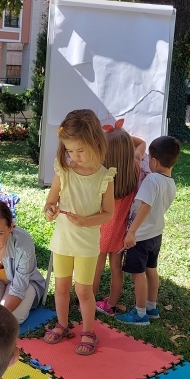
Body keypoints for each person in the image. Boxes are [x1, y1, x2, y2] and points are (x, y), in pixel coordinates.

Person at [42, 109, 116, 355]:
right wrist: (50, 211)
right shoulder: (63, 171)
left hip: (86, 243)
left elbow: (108, 213)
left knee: (83, 290)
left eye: (80, 151)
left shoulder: (105, 177)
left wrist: (86, 221)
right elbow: (50, 202)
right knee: (61, 288)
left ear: (96, 143)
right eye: (69, 151)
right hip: (62, 241)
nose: (74, 156)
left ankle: (88, 331)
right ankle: (62, 324)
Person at [118, 136, 180, 326]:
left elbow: (145, 205)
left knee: (138, 275)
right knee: (151, 270)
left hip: (141, 236)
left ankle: (140, 313)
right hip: (155, 234)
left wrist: (132, 232)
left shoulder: (152, 179)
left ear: (153, 161)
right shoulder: (170, 182)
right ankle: (151, 307)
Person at [93, 128, 147, 315]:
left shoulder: (102, 175)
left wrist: (105, 136)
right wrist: (123, 137)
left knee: (96, 269)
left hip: (101, 230)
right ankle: (111, 304)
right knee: (116, 269)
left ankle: (87, 301)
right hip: (121, 231)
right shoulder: (135, 166)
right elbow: (141, 143)